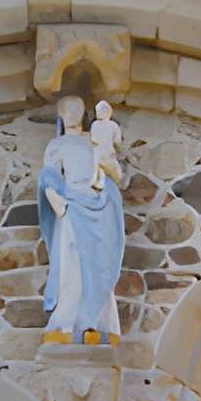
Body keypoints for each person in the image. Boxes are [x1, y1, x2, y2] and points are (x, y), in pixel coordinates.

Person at [38, 91, 123, 343]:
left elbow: (114, 174)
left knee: (99, 264)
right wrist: (58, 201)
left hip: (99, 205)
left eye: (78, 108)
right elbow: (49, 177)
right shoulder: (57, 145)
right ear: (61, 115)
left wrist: (105, 158)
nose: (74, 114)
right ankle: (66, 323)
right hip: (72, 208)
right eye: (69, 109)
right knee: (72, 264)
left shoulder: (93, 140)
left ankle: (100, 323)